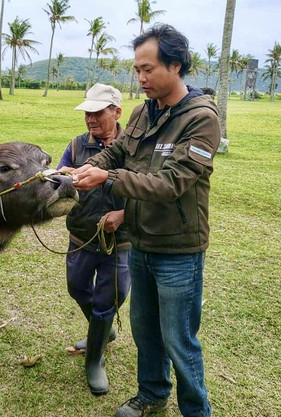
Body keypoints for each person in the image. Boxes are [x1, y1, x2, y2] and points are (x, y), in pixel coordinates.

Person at [69, 24, 220, 417]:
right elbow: (116, 152)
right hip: (141, 244)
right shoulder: (142, 111)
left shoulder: (202, 119)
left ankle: (195, 411)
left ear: (176, 65)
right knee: (146, 333)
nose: (141, 78)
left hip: (178, 251)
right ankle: (152, 394)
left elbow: (171, 184)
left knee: (179, 341)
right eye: (137, 69)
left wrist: (108, 177)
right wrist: (86, 168)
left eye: (148, 69)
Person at [57, 83, 132, 396]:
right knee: (76, 285)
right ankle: (101, 331)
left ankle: (95, 358)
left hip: (120, 240)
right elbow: (61, 171)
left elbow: (150, 189)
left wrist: (123, 215)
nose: (90, 119)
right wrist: (64, 174)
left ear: (116, 112)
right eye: (87, 112)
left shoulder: (135, 146)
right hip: (83, 235)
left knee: (110, 298)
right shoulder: (77, 145)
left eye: (97, 112)